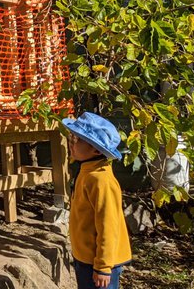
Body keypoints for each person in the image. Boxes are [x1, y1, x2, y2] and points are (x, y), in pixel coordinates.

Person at [62, 112, 132, 289]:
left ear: (95, 149)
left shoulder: (101, 180)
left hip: (99, 264)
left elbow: (108, 225)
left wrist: (103, 266)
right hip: (86, 258)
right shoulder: (87, 171)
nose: (71, 142)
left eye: (77, 140)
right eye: (72, 137)